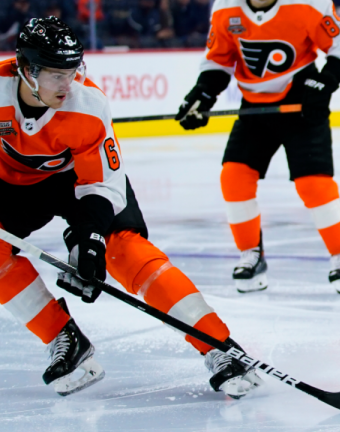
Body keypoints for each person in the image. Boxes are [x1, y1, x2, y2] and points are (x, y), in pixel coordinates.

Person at [0, 17, 262, 398]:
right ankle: (66, 341)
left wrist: (89, 240)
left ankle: (220, 347)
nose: (67, 84)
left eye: (73, 71)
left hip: (77, 183)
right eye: (57, 74)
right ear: (27, 70)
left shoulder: (88, 104)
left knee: (125, 248)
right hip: (12, 186)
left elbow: (101, 185)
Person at [176, 0, 340, 294]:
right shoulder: (225, 8)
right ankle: (251, 255)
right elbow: (219, 60)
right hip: (254, 109)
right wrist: (202, 94)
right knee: (234, 178)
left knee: (314, 185)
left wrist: (323, 82)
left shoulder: (308, 4)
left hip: (302, 106)